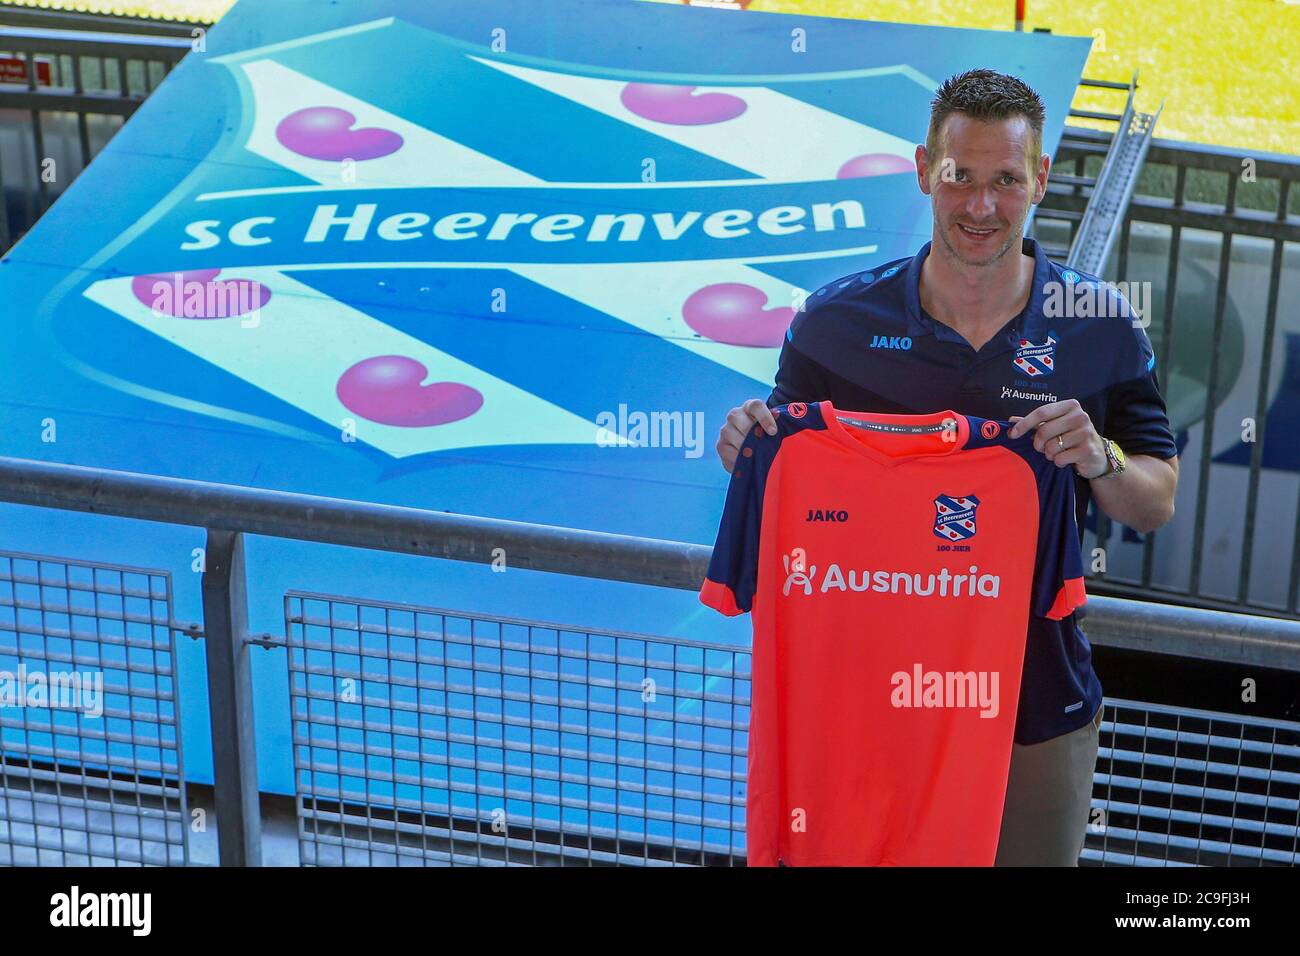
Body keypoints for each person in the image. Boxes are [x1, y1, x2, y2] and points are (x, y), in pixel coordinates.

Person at [715, 69, 1180, 866]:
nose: (981, 206)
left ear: (1039, 179)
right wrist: (747, 448)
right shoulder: (835, 323)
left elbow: (1154, 503)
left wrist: (1098, 456)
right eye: (961, 177)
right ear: (926, 169)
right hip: (866, 701)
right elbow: (789, 472)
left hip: (1036, 702)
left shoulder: (1098, 324)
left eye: (1006, 180)